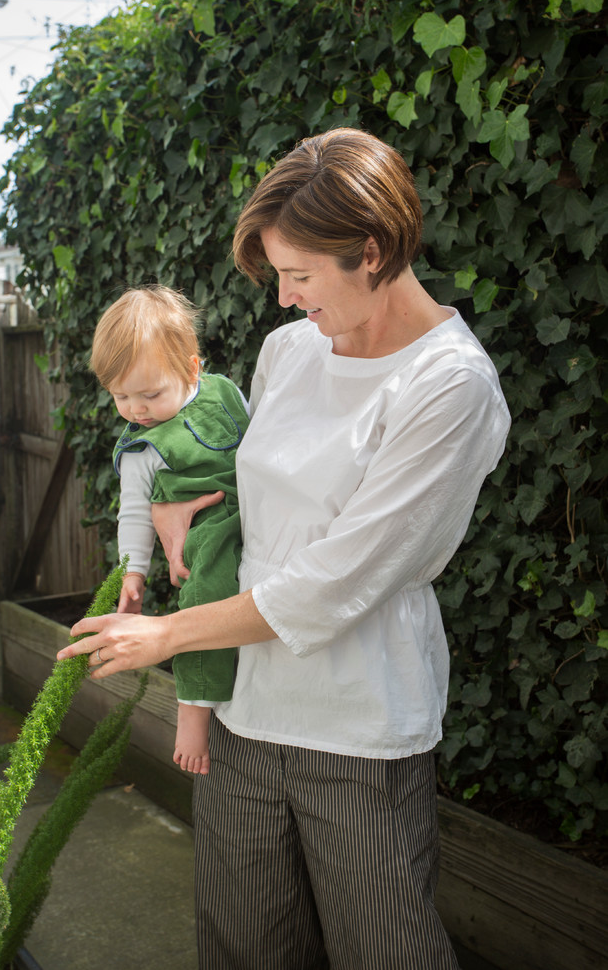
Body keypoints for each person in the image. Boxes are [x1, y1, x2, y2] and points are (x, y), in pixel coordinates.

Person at [59, 127, 510, 970]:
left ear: (370, 251)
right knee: (244, 946)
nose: (284, 299)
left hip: (358, 728)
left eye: (299, 276)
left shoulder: (448, 385)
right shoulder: (289, 351)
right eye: (278, 275)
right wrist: (181, 512)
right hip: (241, 709)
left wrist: (166, 635)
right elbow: (254, 498)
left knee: (386, 951)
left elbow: (338, 580)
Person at [89, 284, 249, 774]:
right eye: (120, 396)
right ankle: (194, 711)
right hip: (208, 530)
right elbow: (135, 512)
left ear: (192, 369)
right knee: (203, 600)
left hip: (257, 505)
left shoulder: (225, 392)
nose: (136, 410)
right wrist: (133, 573)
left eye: (151, 394)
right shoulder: (143, 449)